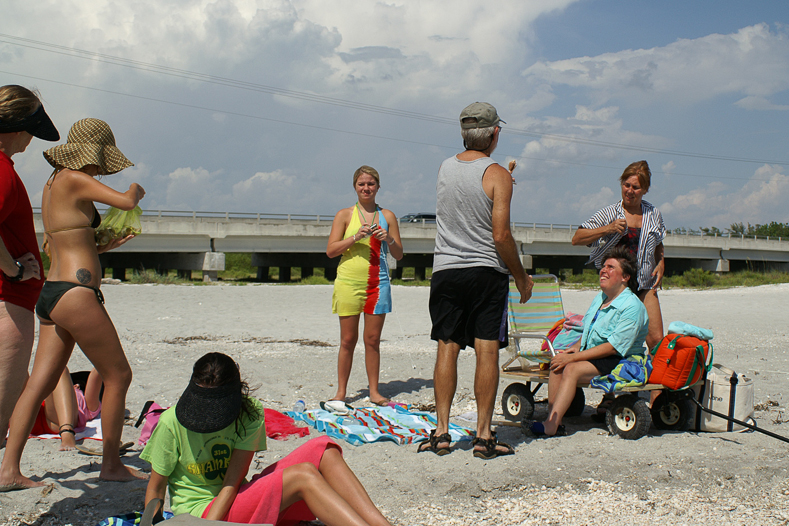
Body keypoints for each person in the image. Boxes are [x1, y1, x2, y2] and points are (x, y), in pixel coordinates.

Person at [0, 118, 146, 491]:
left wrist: (103, 245)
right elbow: (126, 200)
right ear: (93, 153)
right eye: (101, 160)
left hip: (54, 293)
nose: (100, 170)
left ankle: (8, 470)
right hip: (76, 294)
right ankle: (111, 464)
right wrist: (136, 189)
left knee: (38, 385)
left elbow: (63, 243)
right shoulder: (75, 178)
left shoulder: (53, 184)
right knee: (119, 375)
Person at [142, 352, 393, 526]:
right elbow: (156, 487)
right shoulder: (170, 423)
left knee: (323, 448)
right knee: (303, 475)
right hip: (199, 515)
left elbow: (233, 480)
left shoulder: (249, 412)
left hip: (233, 497)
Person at [420, 102, 534, 459]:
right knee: (486, 349)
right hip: (485, 271)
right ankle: (483, 436)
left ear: (464, 133)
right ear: (494, 133)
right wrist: (522, 279)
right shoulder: (498, 174)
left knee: (447, 346)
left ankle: (441, 431)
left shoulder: (444, 168)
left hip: (447, 270)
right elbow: (500, 235)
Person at [526, 246, 648, 438]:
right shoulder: (601, 298)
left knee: (571, 369)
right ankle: (553, 418)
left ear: (625, 277)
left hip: (620, 358)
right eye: (603, 266)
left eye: (611, 267)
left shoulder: (632, 306)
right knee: (558, 362)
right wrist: (573, 350)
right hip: (598, 354)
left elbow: (613, 347)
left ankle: (551, 425)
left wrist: (574, 360)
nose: (603, 270)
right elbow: (590, 332)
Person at [0, 85, 59, 447]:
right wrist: (14, 270)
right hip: (8, 299)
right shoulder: (3, 171)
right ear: (20, 128)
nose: (30, 142)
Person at [325, 165, 403, 406]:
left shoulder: (387, 216)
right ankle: (341, 392)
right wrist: (356, 236)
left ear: (378, 187)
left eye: (370, 184)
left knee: (372, 340)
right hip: (349, 283)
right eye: (362, 184)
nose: (366, 188)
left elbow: (399, 254)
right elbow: (330, 251)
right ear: (355, 187)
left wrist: (387, 238)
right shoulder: (344, 215)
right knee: (347, 340)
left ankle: (374, 392)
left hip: (378, 284)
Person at [571, 160, 665, 349]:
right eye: (626, 185)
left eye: (636, 187)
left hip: (645, 284)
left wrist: (661, 262)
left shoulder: (653, 213)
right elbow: (577, 238)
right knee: (613, 341)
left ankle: (655, 377)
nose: (630, 191)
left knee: (656, 340)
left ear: (645, 189)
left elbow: (659, 241)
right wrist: (608, 228)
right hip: (617, 288)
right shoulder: (609, 213)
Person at [29, 367, 103, 451]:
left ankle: (67, 431)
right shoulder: (88, 407)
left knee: (59, 368)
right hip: (40, 414)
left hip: (50, 419)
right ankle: (66, 431)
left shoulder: (86, 404)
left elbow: (96, 375)